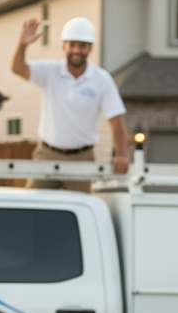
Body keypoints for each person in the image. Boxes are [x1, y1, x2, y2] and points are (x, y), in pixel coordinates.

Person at [11, 15, 129, 192]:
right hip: (47, 155)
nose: (76, 50)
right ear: (63, 46)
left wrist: (120, 154)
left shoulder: (101, 79)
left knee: (80, 209)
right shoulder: (50, 71)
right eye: (72, 45)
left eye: (82, 46)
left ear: (90, 48)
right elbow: (18, 69)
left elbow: (116, 120)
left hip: (82, 158)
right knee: (33, 208)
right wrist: (22, 44)